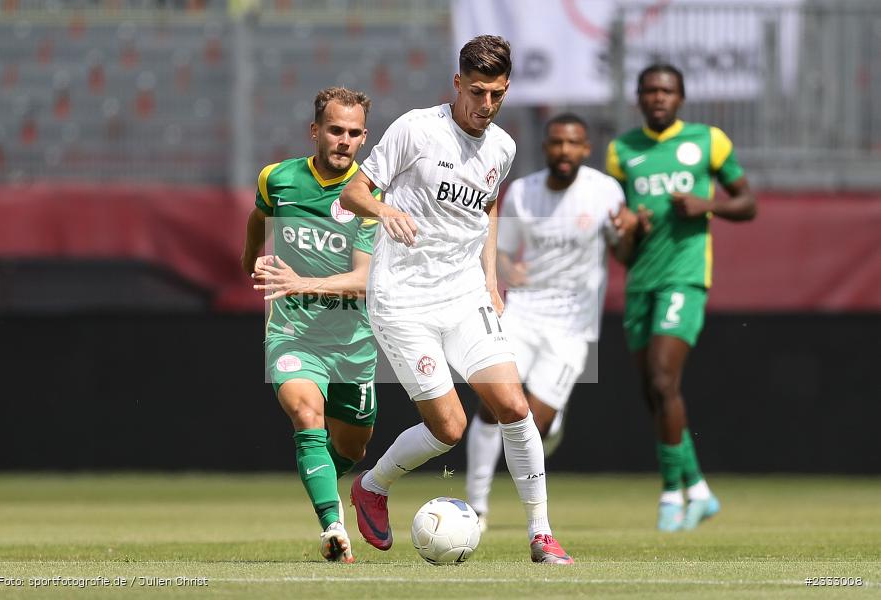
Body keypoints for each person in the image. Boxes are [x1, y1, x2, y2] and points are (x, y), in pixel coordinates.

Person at [339, 35, 573, 564]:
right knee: (450, 429)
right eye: (477, 92)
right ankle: (371, 487)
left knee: (515, 408)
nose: (485, 106)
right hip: (402, 299)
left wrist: (490, 279)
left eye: (497, 94)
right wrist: (383, 212)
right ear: (457, 84)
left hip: (464, 294)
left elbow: (486, 207)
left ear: (507, 89)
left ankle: (541, 533)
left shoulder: (503, 147)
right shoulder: (416, 129)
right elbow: (352, 191)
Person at [465, 113, 637, 532]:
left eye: (572, 143)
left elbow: (626, 255)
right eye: (556, 143)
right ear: (546, 147)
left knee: (533, 427)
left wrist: (630, 230)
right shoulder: (523, 193)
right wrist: (508, 269)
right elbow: (500, 252)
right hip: (523, 311)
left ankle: (552, 422)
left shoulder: (605, 192)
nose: (564, 151)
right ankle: (477, 507)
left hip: (573, 326)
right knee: (494, 406)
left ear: (585, 148)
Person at [605, 64, 756, 531]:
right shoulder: (620, 152)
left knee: (663, 379)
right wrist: (630, 229)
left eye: (666, 90)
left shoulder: (708, 141)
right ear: (638, 97)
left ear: (681, 97)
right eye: (649, 90)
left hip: (685, 278)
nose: (658, 97)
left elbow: (748, 203)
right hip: (640, 281)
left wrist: (708, 205)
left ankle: (671, 493)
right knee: (654, 392)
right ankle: (700, 490)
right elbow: (619, 240)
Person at [240, 87, 379, 562]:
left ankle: (320, 471)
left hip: (353, 343)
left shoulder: (369, 194)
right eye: (335, 130)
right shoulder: (277, 178)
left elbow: (363, 282)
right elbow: (260, 215)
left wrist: (302, 281)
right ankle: (333, 527)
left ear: (364, 138)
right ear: (315, 131)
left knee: (354, 449)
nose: (344, 140)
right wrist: (250, 260)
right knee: (306, 416)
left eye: (354, 133)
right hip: (293, 333)